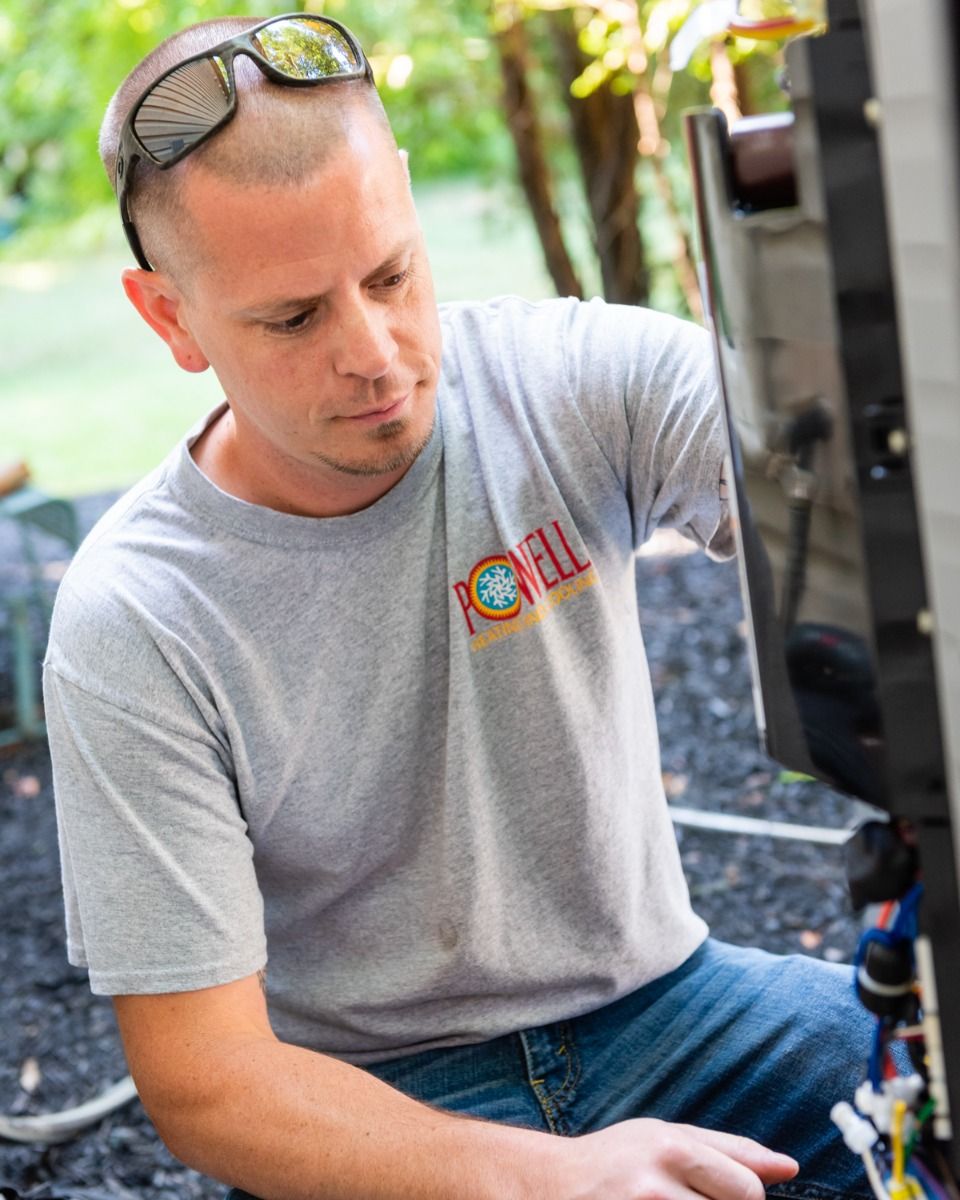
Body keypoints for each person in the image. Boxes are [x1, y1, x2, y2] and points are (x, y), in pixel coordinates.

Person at [44, 13, 875, 1200]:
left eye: (391, 274)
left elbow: (860, 504)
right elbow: (211, 1081)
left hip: (675, 1009)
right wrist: (555, 1177)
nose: (376, 352)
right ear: (169, 317)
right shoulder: (135, 618)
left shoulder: (574, 381)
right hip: (378, 1097)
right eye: (294, 318)